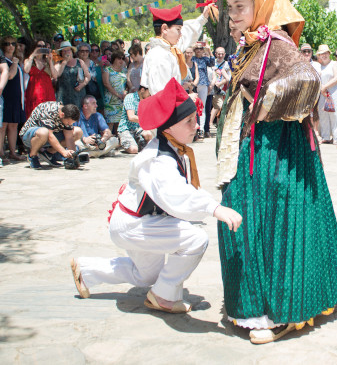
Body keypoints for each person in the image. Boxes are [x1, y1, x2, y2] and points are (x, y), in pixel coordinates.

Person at [215, 0, 337, 344]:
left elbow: (308, 81)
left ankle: (282, 311)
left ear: (263, 5)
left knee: (273, 224)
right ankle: (257, 304)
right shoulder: (255, 45)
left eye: (240, 6)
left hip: (276, 154)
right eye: (230, 8)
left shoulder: (277, 44)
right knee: (252, 224)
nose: (234, 15)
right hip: (257, 149)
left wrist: (263, 105)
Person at [70, 78, 242, 313]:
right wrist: (214, 208)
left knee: (145, 275)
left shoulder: (172, 147)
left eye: (195, 119)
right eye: (189, 121)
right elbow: (175, 193)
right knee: (195, 239)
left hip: (138, 221)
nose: (196, 126)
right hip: (134, 223)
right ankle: (164, 296)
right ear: (169, 128)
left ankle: (87, 271)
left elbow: (186, 189)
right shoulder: (158, 159)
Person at [140, 4, 213, 95]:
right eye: (178, 30)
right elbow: (162, 94)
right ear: (165, 29)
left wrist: (203, 18)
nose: (181, 34)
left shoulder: (168, 49)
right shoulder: (159, 55)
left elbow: (187, 34)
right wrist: (186, 100)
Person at [19, 101, 81, 169]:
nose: (69, 124)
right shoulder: (49, 111)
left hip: (48, 137)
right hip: (29, 136)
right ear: (62, 114)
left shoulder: (67, 113)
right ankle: (32, 156)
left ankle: (48, 153)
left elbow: (69, 137)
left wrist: (73, 157)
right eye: (68, 122)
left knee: (77, 132)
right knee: (44, 132)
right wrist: (63, 152)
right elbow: (50, 136)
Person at [1, 36, 26, 160]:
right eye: (7, 43)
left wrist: (18, 61)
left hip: (17, 97)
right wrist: (15, 63)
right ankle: (1, 153)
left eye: (13, 43)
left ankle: (12, 152)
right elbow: (10, 75)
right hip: (6, 96)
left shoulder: (16, 59)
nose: (10, 46)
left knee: (14, 125)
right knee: (3, 126)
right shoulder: (3, 60)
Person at [54, 41, 90, 110]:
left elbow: (88, 76)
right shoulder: (59, 64)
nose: (66, 52)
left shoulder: (80, 62)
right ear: (61, 53)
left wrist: (82, 84)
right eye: (64, 51)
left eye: (68, 50)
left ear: (72, 51)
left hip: (78, 95)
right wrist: (64, 62)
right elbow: (57, 75)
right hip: (63, 96)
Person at [316, 44, 337, 144]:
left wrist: (325, 86)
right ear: (319, 55)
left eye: (326, 53)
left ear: (329, 54)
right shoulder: (319, 66)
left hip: (333, 91)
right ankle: (325, 136)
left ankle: (336, 137)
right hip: (322, 92)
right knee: (323, 113)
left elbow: (336, 78)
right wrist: (322, 89)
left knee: (334, 114)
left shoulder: (334, 63)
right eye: (322, 54)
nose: (324, 55)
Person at [118, 85, 152, 154]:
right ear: (142, 90)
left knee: (149, 134)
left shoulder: (148, 100)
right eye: (149, 92)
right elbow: (131, 117)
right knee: (134, 150)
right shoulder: (130, 97)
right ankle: (122, 141)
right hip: (126, 129)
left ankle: (138, 144)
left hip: (138, 129)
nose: (151, 94)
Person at [191, 44, 214, 138]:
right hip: (194, 84)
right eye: (197, 49)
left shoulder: (205, 59)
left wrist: (209, 51)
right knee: (193, 107)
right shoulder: (192, 59)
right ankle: (194, 129)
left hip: (203, 83)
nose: (199, 51)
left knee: (202, 107)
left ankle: (201, 129)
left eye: (200, 49)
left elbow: (212, 63)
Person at [103, 51, 128, 134]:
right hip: (110, 100)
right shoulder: (107, 69)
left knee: (120, 123)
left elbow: (127, 83)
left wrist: (125, 92)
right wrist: (117, 94)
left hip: (121, 100)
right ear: (114, 59)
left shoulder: (124, 70)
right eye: (119, 58)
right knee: (110, 122)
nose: (121, 60)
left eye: (122, 58)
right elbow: (106, 83)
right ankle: (107, 141)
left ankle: (119, 142)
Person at [209, 46, 231, 129]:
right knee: (210, 106)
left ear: (225, 54)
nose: (220, 55)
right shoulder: (212, 62)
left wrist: (220, 83)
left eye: (222, 54)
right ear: (215, 54)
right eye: (219, 53)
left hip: (220, 89)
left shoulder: (227, 64)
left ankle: (216, 123)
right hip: (210, 87)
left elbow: (228, 77)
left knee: (219, 106)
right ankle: (210, 124)